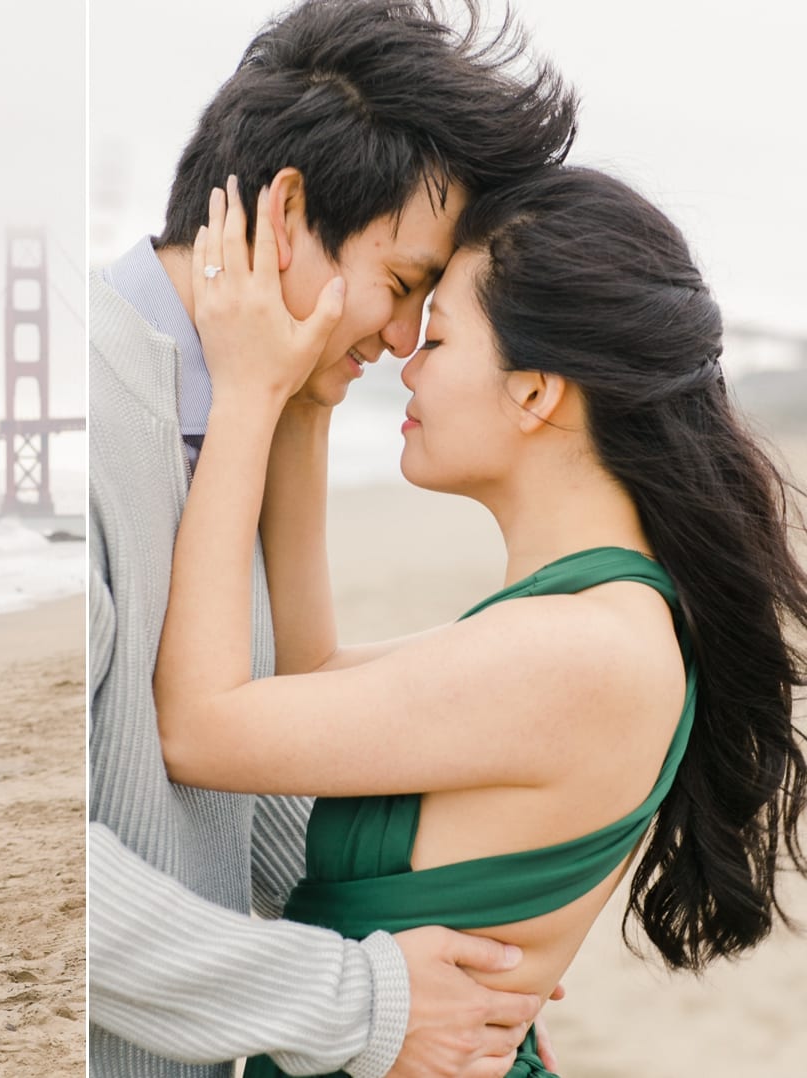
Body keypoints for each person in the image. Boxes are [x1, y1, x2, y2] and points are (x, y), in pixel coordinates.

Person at [153, 168, 807, 1078]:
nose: (407, 360)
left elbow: (200, 726)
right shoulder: (584, 615)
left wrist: (245, 398)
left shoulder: (583, 650)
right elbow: (306, 680)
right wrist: (308, 402)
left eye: (440, 337)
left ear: (535, 392)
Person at [89, 2, 579, 1075]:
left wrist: (450, 912)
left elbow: (233, 810)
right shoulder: (83, 409)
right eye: (402, 284)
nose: (405, 338)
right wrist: (364, 1000)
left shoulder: (236, 420)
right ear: (288, 210)